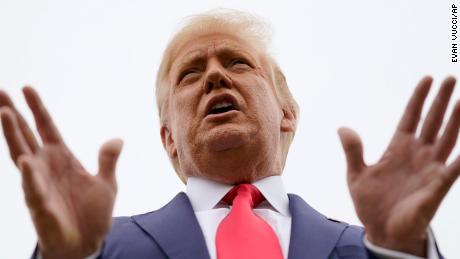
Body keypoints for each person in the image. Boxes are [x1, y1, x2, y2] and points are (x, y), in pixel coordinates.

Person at [0, 9, 458, 259]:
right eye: (190, 73)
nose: (215, 78)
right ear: (169, 140)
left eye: (237, 62)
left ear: (287, 114)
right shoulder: (102, 250)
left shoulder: (373, 249)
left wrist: (403, 255)